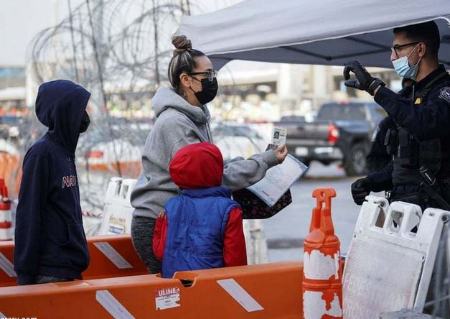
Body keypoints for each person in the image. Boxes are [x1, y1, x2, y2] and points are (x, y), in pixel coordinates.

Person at [130, 35, 288, 274]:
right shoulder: (175, 122)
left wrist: (256, 161)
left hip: (180, 219)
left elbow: (210, 169)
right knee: (177, 299)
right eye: (207, 75)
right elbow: (207, 179)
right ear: (186, 80)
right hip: (161, 222)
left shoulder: (195, 116)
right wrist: (264, 162)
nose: (213, 80)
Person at [344, 21, 450, 211]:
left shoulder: (444, 92)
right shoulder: (408, 96)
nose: (392, 56)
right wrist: (371, 182)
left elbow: (425, 123)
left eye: (398, 49)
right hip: (405, 209)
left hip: (438, 214)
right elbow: (408, 163)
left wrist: (375, 88)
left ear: (420, 49)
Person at [14, 80, 91, 285]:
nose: (85, 114)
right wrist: (25, 274)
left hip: (69, 268)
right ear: (64, 111)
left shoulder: (65, 153)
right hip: (50, 271)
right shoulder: (42, 154)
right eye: (80, 108)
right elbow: (28, 214)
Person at [152, 142, 247, 278]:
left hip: (174, 287)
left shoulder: (171, 206)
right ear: (214, 170)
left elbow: (160, 252)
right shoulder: (229, 209)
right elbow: (236, 262)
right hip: (212, 288)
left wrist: (158, 227)